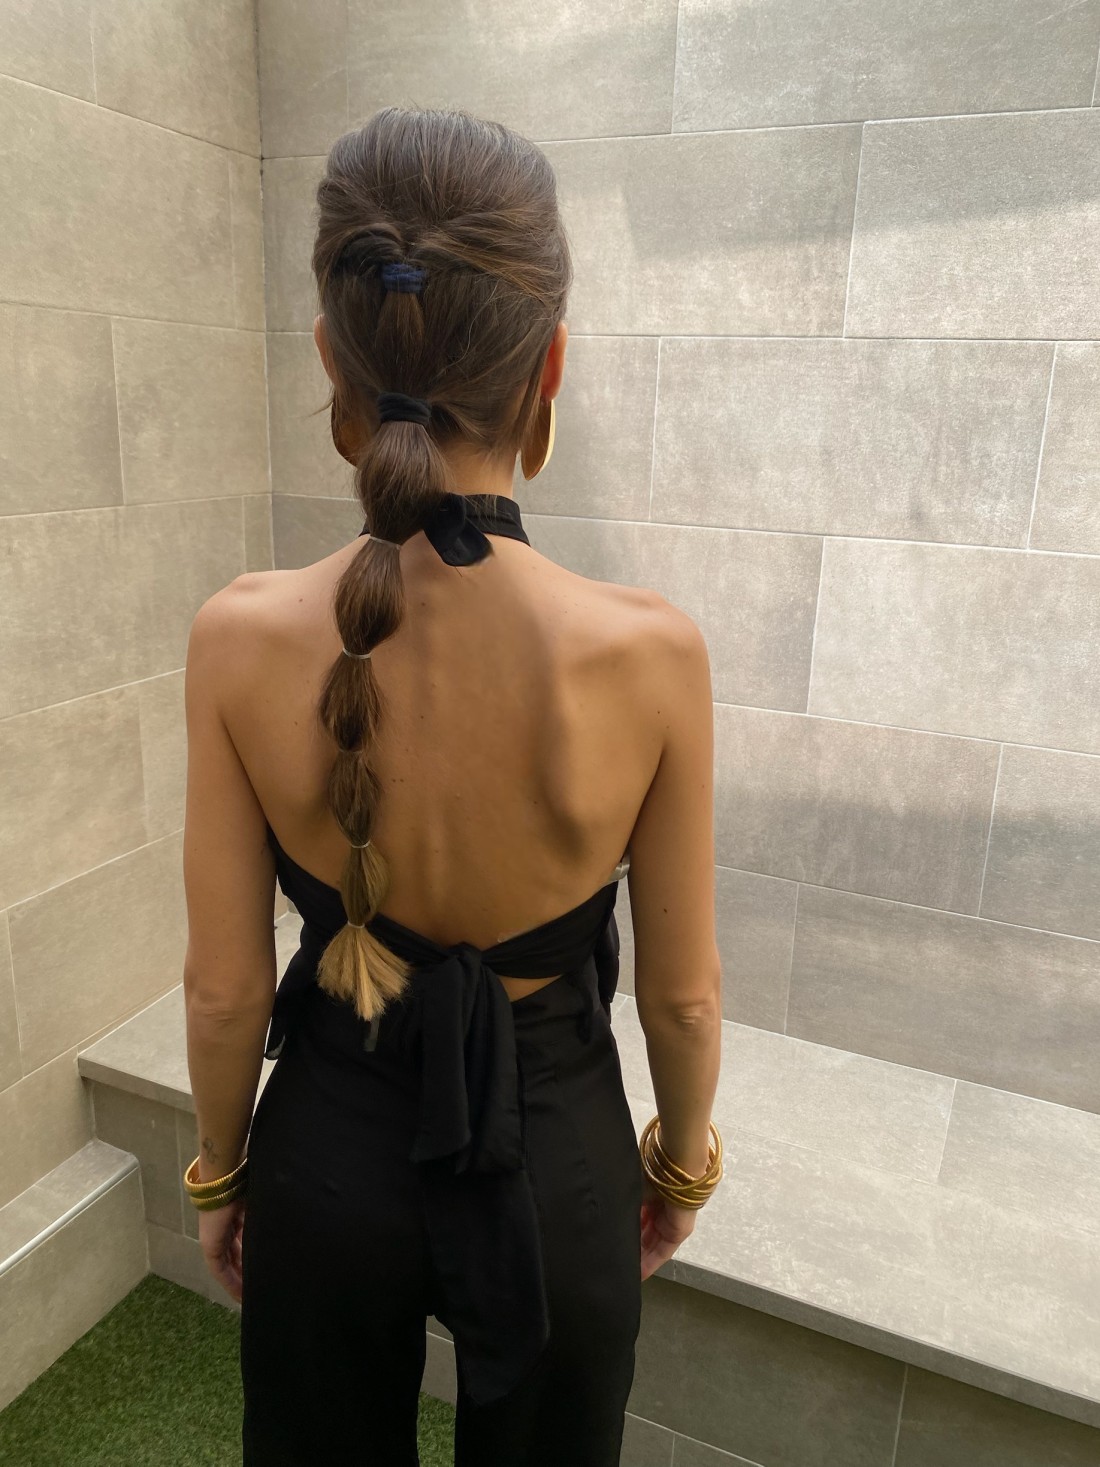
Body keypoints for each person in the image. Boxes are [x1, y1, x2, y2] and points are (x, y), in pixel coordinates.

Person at [179, 105, 724, 1467]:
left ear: (331, 357)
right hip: (559, 1162)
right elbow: (682, 997)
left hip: (328, 1155)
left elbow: (224, 991)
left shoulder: (238, 637)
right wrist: (678, 1165)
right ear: (550, 366)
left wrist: (222, 1171)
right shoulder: (652, 654)